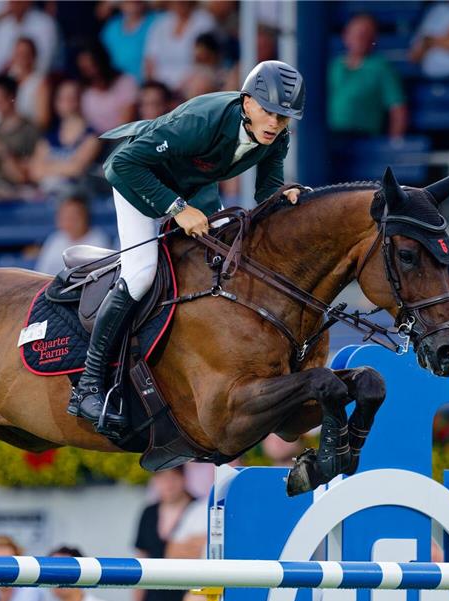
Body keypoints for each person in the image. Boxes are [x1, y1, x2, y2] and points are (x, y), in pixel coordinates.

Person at [69, 60, 305, 435]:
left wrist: (283, 193)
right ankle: (88, 385)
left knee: (226, 257)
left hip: (194, 187)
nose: (275, 123)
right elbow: (119, 165)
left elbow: (265, 190)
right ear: (247, 103)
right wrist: (176, 209)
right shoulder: (202, 120)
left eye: (284, 117)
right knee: (142, 273)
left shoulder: (277, 136)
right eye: (268, 112)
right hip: (143, 181)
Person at [133, 468, 199, 601]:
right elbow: (140, 560)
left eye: (173, 478)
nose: (168, 484)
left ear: (183, 478)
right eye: (162, 478)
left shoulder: (199, 510)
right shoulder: (149, 513)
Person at [328, 14, 407, 138]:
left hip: (362, 138)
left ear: (373, 38)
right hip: (328, 137)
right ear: (346, 35)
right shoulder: (333, 66)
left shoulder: (381, 68)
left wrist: (393, 144)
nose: (359, 38)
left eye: (365, 34)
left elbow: (398, 110)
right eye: (356, 33)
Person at [29, 80, 101, 197]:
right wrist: (66, 166)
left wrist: (48, 167)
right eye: (62, 98)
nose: (67, 102)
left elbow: (77, 169)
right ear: (56, 103)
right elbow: (34, 171)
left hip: (78, 197)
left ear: (80, 100)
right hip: (49, 197)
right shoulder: (49, 136)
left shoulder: (92, 136)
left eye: (72, 97)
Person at [143, 2, 215, 91]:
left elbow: (205, 59)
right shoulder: (160, 22)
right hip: (161, 87)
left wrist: (181, 86)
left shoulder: (204, 21)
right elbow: (149, 60)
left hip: (190, 84)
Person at [35, 196, 111, 275]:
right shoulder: (55, 238)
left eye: (74, 217)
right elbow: (41, 272)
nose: (70, 222)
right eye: (66, 218)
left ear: (85, 217)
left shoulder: (99, 239)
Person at [0, 1, 58, 77]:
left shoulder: (45, 24)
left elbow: (44, 64)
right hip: (4, 80)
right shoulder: (0, 27)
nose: (15, 4)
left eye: (18, 1)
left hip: (33, 79)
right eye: (12, 1)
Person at [77, 43, 138, 135]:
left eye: (93, 65)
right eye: (85, 69)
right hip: (93, 140)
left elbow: (126, 122)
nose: (91, 73)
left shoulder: (125, 82)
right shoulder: (83, 90)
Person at [100, 1, 157, 83]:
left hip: (148, 83)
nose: (132, 2)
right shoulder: (112, 27)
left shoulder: (157, 21)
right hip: (118, 84)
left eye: (136, 2)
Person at [9, 38, 51, 131]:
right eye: (18, 53)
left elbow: (43, 121)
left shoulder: (39, 83)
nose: (21, 57)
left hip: (26, 132)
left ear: (33, 57)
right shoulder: (7, 79)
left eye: (25, 53)